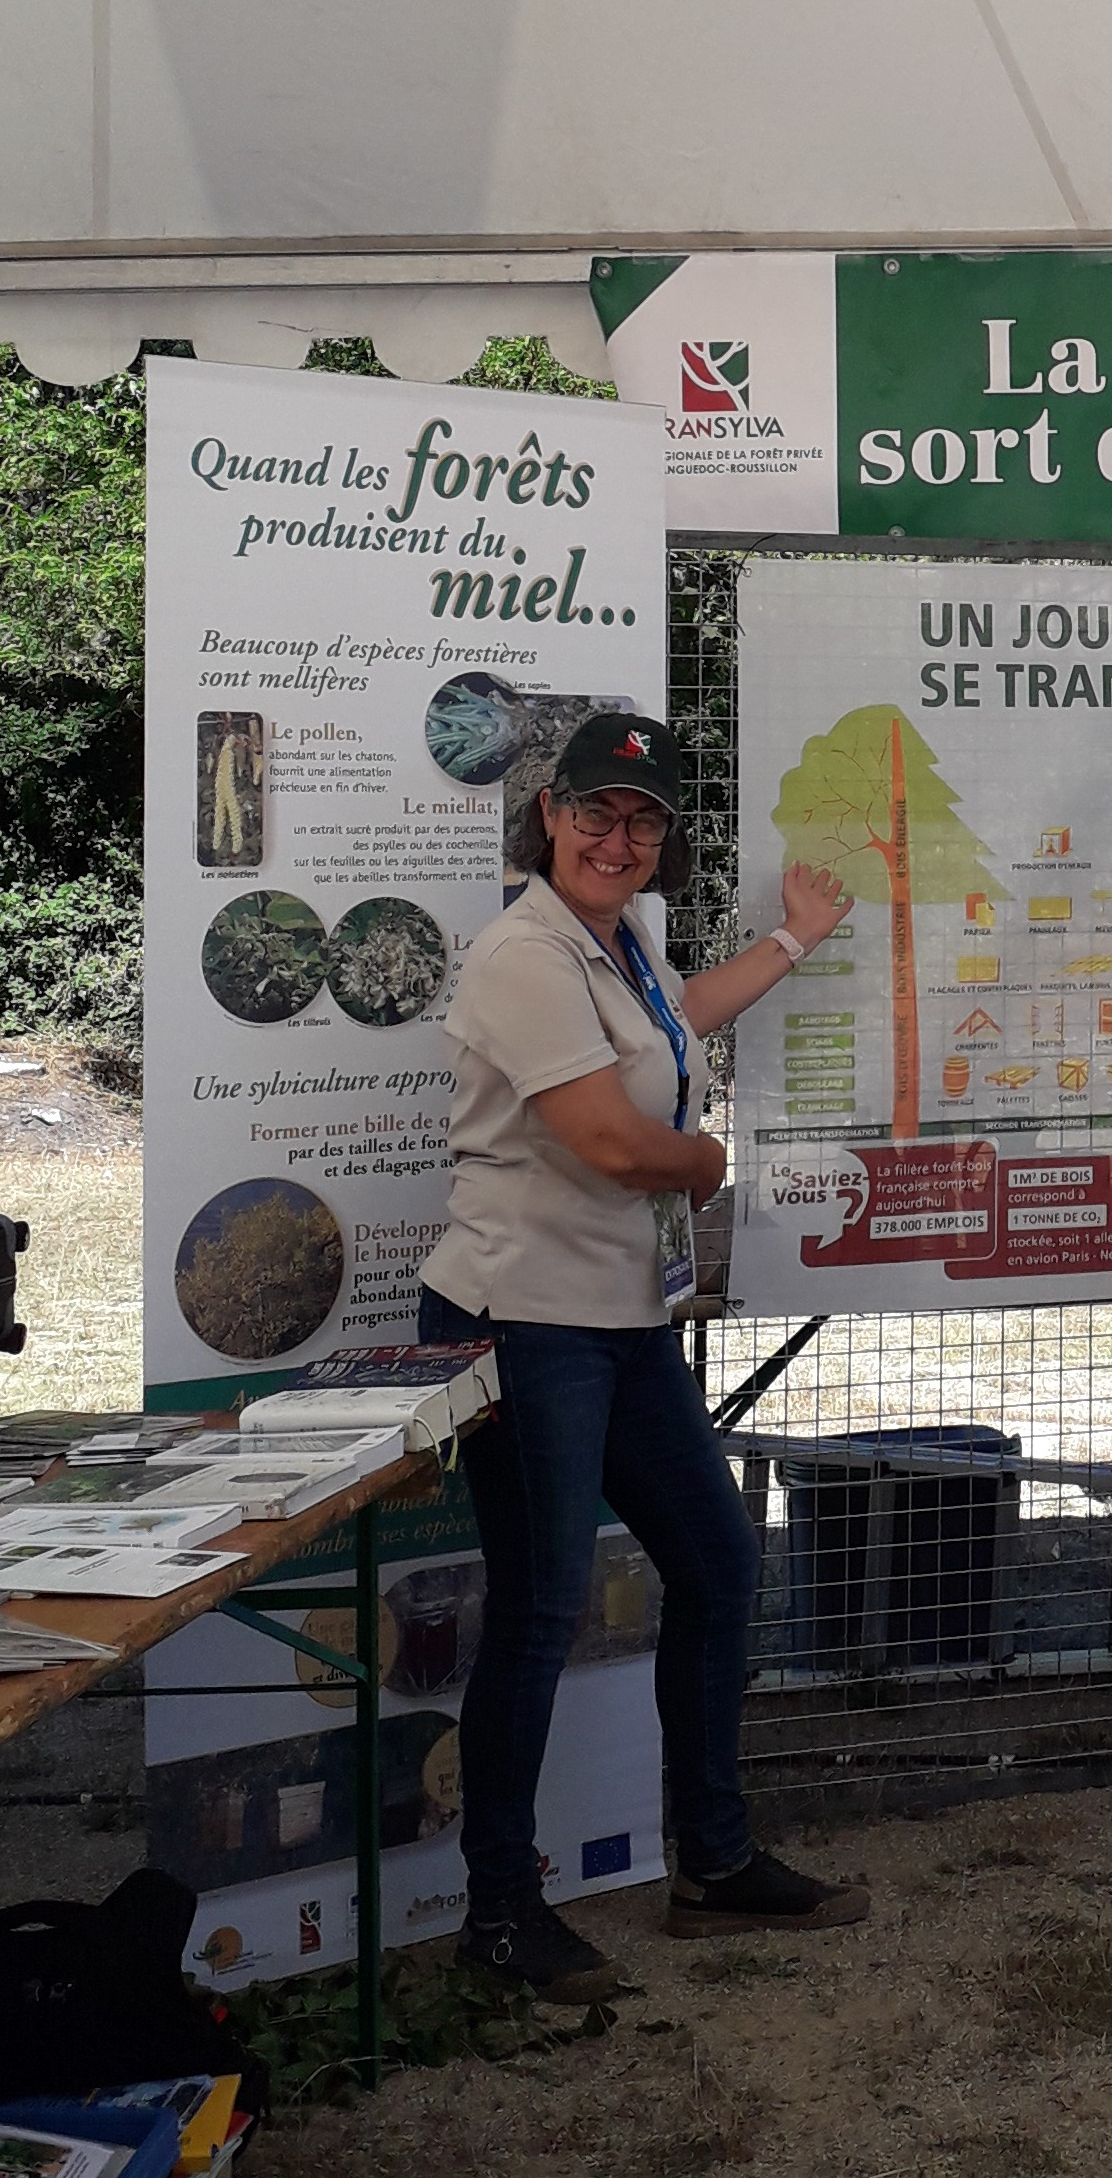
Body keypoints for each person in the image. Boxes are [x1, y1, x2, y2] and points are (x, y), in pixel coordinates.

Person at [418, 710, 865, 1999]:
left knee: (720, 1564)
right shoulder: (521, 955)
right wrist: (715, 1165)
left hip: (618, 1321)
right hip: (523, 1318)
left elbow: (683, 1015)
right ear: (548, 815)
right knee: (543, 1606)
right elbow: (611, 1144)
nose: (619, 838)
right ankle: (500, 1915)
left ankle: (712, 1866)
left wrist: (793, 940)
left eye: (643, 822)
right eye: (596, 814)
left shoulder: (619, 940)